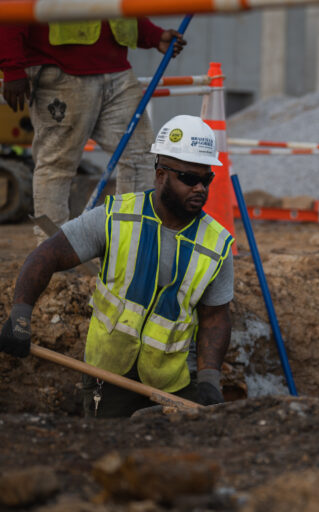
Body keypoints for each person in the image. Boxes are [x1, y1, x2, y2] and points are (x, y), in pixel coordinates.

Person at [0, 115, 234, 417]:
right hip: (108, 377)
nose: (200, 188)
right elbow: (47, 256)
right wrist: (20, 315)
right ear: (161, 174)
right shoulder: (116, 217)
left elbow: (215, 317)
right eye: (189, 179)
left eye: (207, 179)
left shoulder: (216, 245)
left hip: (170, 384)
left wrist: (209, 381)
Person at [0, 18, 186, 241]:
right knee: (57, 165)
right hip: (60, 69)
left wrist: (153, 35)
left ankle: (131, 246)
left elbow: (117, 8)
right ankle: (51, 255)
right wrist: (12, 66)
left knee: (140, 157)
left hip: (117, 71)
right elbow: (13, 9)